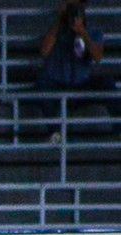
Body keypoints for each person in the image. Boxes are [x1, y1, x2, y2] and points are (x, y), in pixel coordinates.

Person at [36, 0, 120, 142]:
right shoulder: (55, 29)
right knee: (42, 81)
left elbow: (97, 56)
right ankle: (55, 132)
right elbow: (44, 51)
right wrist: (59, 20)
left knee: (107, 83)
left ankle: (119, 129)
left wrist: (82, 32)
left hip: (81, 83)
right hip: (56, 83)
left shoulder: (92, 30)